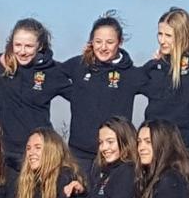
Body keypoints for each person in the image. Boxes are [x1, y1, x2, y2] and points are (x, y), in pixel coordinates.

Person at [59, 14, 145, 173]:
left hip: (116, 155)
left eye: (110, 42)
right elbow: (49, 75)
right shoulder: (78, 66)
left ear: (120, 42)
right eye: (98, 42)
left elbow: (162, 87)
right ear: (91, 42)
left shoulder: (132, 74)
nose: (103, 47)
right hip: (80, 154)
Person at [0, 19, 71, 173]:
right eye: (18, 45)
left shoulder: (53, 71)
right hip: (8, 155)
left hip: (42, 154)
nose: (22, 51)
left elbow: (83, 94)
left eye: (29, 46)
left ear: (40, 45)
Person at [139, 7, 189, 148]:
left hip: (182, 144)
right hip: (153, 143)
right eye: (160, 34)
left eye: (168, 35)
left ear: (182, 35)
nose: (162, 40)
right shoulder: (155, 66)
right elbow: (127, 79)